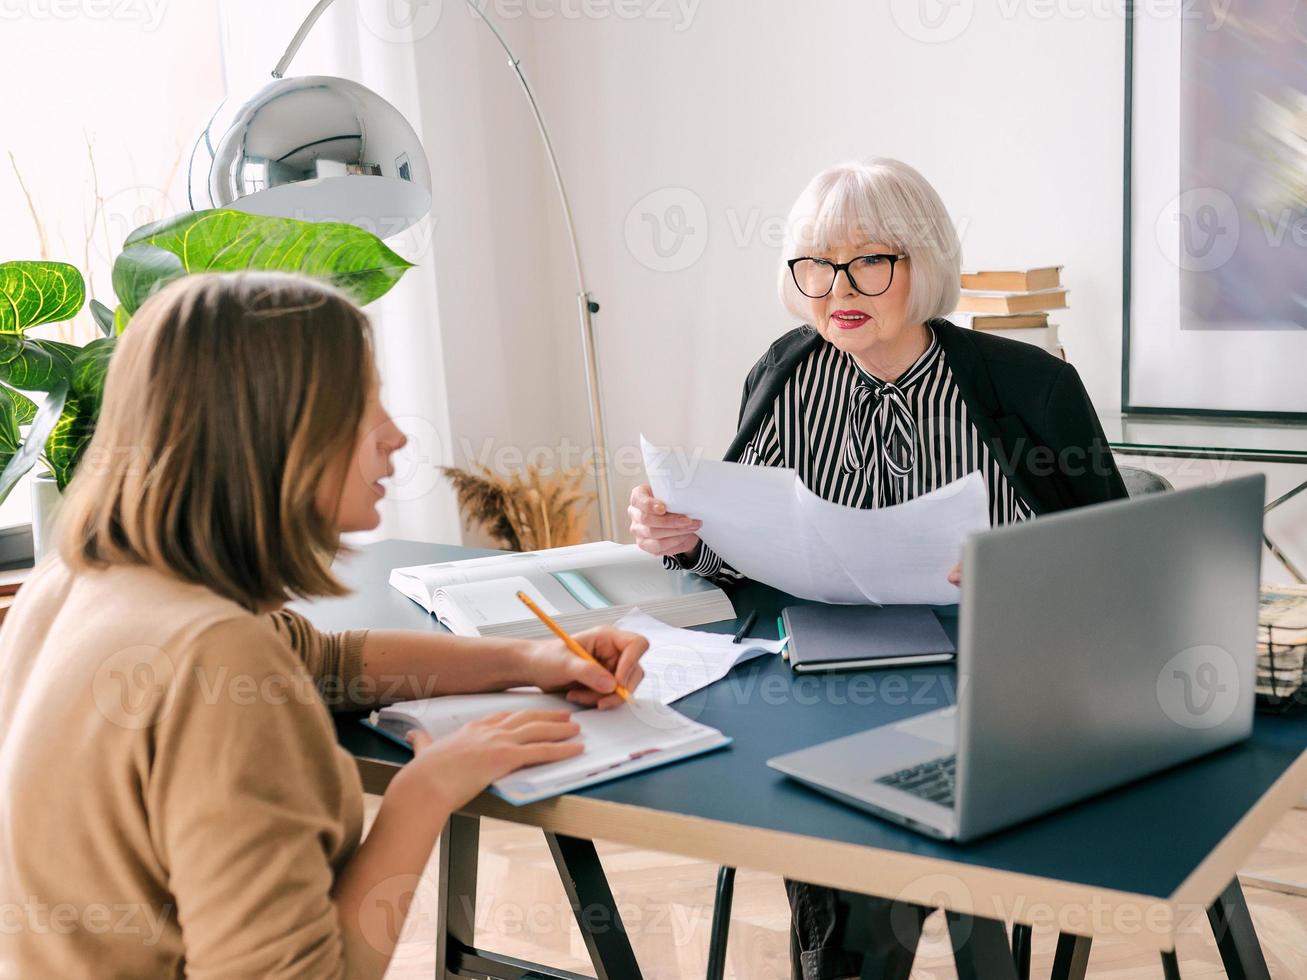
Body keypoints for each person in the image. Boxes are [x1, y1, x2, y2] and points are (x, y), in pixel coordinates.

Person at [0, 272, 648, 979]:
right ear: (270, 430)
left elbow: (332, 662)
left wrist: (530, 661)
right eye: (362, 404)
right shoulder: (216, 657)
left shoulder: (76, 579)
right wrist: (425, 791)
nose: (396, 434)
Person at [628, 158, 1127, 979]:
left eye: (868, 260)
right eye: (816, 264)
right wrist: (680, 534)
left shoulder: (1025, 386)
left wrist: (1023, 572)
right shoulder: (786, 371)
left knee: (876, 822)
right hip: (827, 671)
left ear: (920, 261)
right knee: (840, 816)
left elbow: (1113, 559)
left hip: (996, 675)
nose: (836, 287)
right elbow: (739, 540)